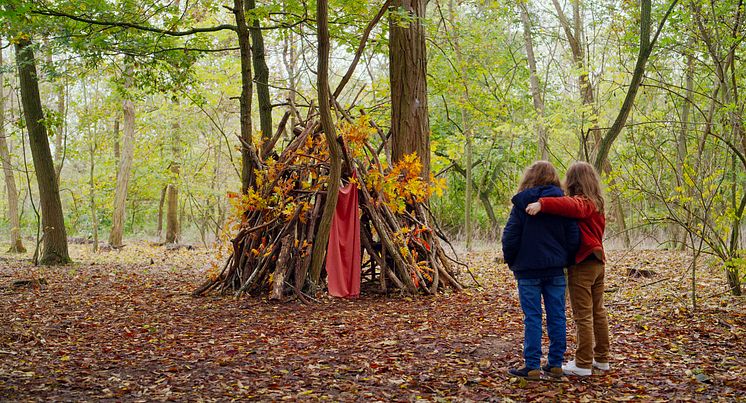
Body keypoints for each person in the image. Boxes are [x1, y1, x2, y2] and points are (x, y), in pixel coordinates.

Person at [525, 161, 610, 376]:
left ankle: (582, 363)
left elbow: (572, 206)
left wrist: (542, 204)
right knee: (597, 312)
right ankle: (601, 359)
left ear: (573, 181)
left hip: (584, 263)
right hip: (598, 262)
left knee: (584, 315)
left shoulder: (585, 203)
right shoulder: (597, 202)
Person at [502, 161, 579, 380]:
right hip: (555, 269)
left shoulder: (521, 204)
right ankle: (555, 363)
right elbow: (573, 237)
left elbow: (510, 237)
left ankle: (533, 365)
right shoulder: (563, 204)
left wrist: (513, 261)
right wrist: (566, 259)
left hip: (527, 270)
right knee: (557, 315)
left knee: (533, 317)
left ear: (529, 178)